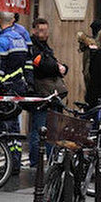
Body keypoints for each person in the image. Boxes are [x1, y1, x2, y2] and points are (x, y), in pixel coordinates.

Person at [0, 12, 34, 175]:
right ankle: (15, 163)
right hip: (18, 89)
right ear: (12, 21)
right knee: (13, 129)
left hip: (3, 91)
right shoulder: (20, 39)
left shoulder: (1, 42)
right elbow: (28, 64)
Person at [29, 18, 68, 167]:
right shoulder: (33, 47)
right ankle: (35, 163)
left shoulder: (45, 47)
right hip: (41, 94)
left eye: (46, 30)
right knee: (39, 129)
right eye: (40, 30)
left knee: (51, 130)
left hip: (51, 94)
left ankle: (50, 159)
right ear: (34, 30)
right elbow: (43, 66)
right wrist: (58, 67)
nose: (44, 33)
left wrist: (61, 66)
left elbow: (53, 64)